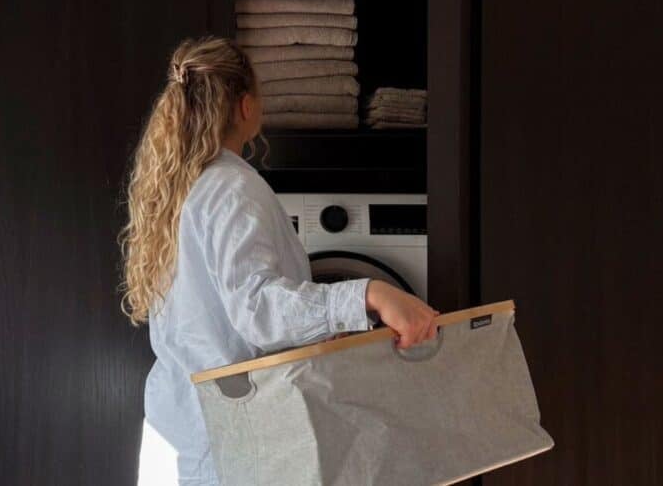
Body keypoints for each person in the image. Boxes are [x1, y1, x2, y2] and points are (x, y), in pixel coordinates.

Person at [117, 35, 440, 485]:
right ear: (246, 106)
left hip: (182, 425)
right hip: (232, 440)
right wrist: (371, 292)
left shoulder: (173, 189)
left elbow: (217, 318)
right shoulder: (231, 188)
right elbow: (257, 310)